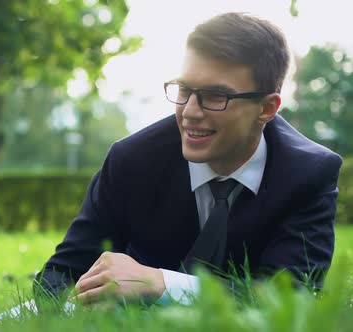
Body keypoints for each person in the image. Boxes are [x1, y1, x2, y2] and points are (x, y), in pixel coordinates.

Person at [34, 12, 342, 306]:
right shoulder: (131, 160)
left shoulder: (309, 174)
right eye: (184, 89)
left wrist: (159, 284)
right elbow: (58, 276)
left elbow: (290, 297)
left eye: (216, 96)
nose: (190, 112)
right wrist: (87, 302)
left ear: (267, 108)